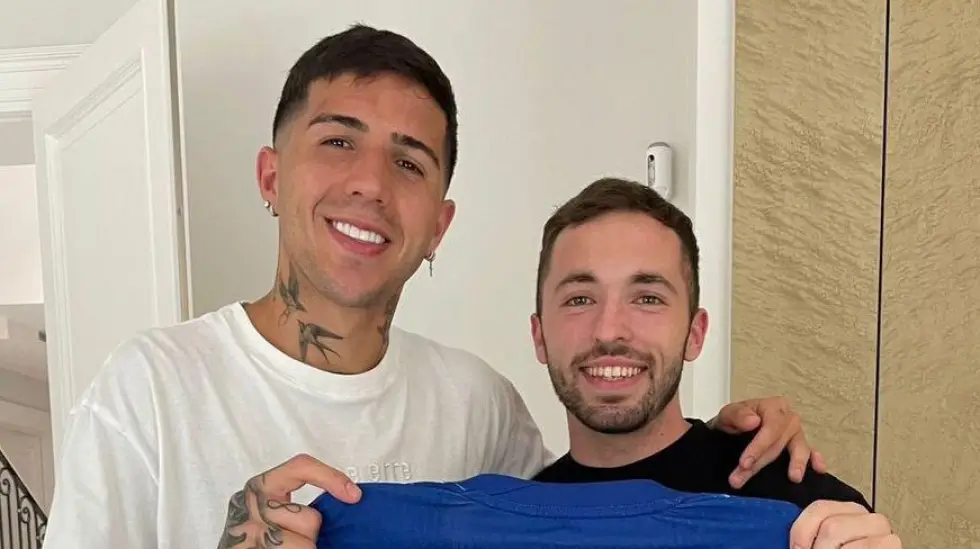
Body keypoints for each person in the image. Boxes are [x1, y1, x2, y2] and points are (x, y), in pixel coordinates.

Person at [42, 25, 820, 549]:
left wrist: (713, 444)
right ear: (271, 176)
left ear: (440, 224)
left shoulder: (480, 406)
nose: (371, 184)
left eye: (409, 161)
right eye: (338, 141)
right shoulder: (147, 390)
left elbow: (592, 513)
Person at [527, 177, 899, 547]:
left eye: (647, 298)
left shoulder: (808, 515)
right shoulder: (516, 520)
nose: (609, 331)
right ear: (539, 336)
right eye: (579, 299)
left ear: (695, 333)